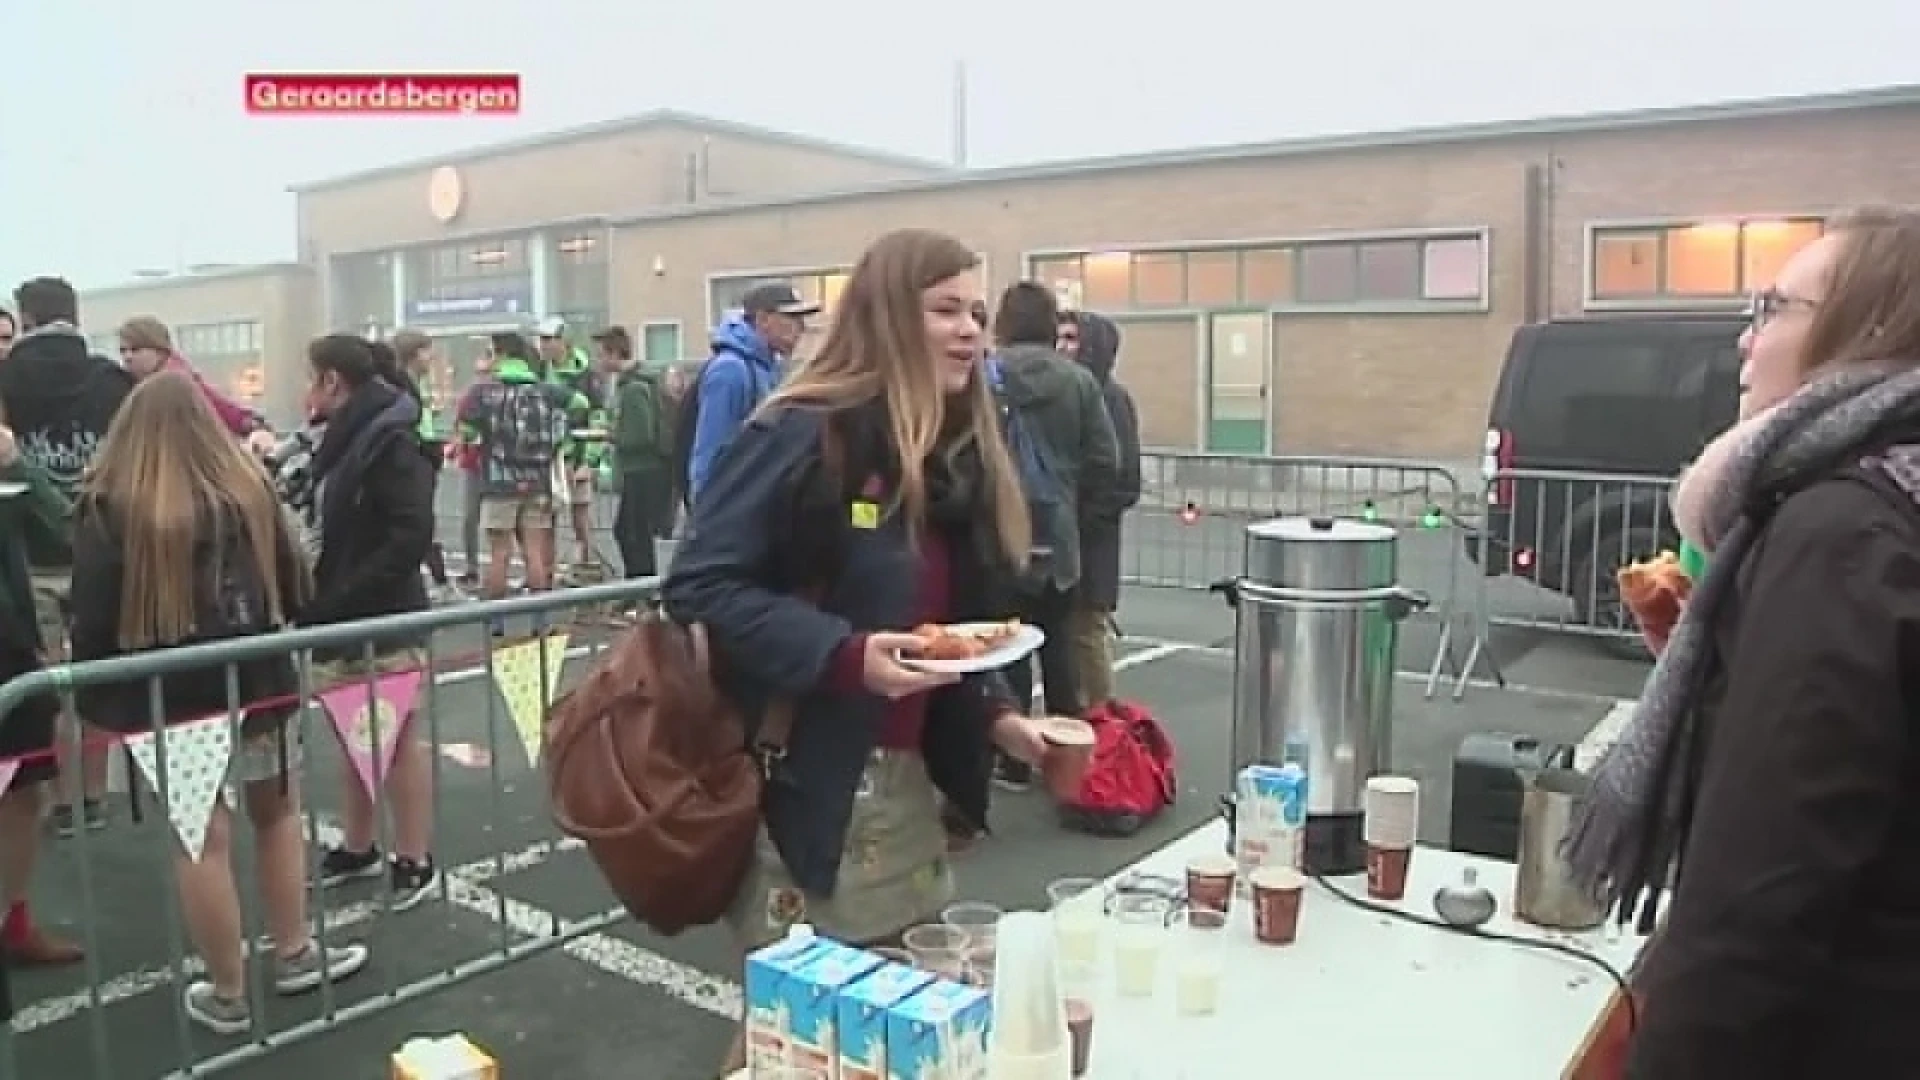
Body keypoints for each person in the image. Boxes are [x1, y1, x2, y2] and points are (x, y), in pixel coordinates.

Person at [662, 228, 1050, 1075]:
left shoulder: (948, 455)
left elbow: (945, 639)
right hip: (808, 783)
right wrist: (846, 653)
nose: (971, 331)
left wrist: (1004, 723)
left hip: (908, 798)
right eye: (945, 309)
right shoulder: (804, 433)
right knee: (799, 1034)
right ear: (884, 317)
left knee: (876, 1030)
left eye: (978, 312)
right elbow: (700, 585)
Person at [1558, 208, 1920, 1076]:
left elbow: (1762, 895)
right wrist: (1732, 673)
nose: (1744, 342)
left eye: (1774, 308)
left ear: (1867, 329)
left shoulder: (1842, 530)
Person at [66, 371, 368, 1035]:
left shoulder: (110, 504)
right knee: (278, 815)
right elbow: (295, 580)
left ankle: (228, 992)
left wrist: (94, 692)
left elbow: (89, 618)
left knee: (200, 837)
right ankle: (294, 953)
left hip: (163, 694)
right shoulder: (248, 490)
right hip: (258, 678)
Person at [300, 335, 441, 908]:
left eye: (310, 377)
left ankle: (415, 857)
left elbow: (408, 533)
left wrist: (342, 598)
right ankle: (359, 846)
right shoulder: (348, 436)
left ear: (333, 381)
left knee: (396, 737)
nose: (304, 390)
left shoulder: (390, 439)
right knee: (352, 730)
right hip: (342, 609)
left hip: (380, 614)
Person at [0, 277, 132, 835]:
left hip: (27, 552)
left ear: (26, 320)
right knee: (95, 676)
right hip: (100, 546)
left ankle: (52, 798)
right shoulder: (111, 378)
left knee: (45, 681)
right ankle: (95, 796)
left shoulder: (7, 378)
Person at [987, 283, 1119, 790]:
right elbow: (1105, 462)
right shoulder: (1080, 383)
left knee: (1006, 648)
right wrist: (1072, 508)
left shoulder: (984, 377)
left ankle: (1014, 759)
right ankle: (1068, 757)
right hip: (1060, 532)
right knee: (1058, 647)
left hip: (1000, 531)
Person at [0, 402, 83, 968]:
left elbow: (68, 528)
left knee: (26, 791)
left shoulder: (9, 463)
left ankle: (13, 919)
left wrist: (19, 466)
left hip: (12, 652)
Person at [456, 333, 574, 601]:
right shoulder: (546, 391)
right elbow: (580, 403)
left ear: (502, 354)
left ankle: (495, 620)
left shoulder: (484, 393)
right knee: (533, 550)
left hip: (499, 481)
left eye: (491, 352)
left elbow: (467, 430)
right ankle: (538, 616)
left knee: (500, 552)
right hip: (537, 481)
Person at [1062, 310, 1141, 709]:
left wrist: (1083, 518)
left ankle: (1104, 721)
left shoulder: (1111, 398)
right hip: (1064, 539)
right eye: (1059, 337)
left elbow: (1125, 482)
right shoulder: (1067, 393)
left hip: (1091, 543)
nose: (1063, 346)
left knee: (1087, 633)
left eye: (1072, 338)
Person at [685, 283, 817, 504]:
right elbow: (709, 454)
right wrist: (708, 519)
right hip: (731, 513)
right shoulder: (730, 370)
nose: (801, 328)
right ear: (763, 319)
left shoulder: (768, 368)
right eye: (792, 318)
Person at [115, 316, 276, 456]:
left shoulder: (177, 385)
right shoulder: (130, 384)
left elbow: (220, 408)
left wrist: (253, 426)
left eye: (136, 349)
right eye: (122, 351)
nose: (127, 357)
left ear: (160, 351)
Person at [382, 333, 457, 600]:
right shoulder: (401, 385)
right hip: (415, 461)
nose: (432, 358)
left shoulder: (416, 384)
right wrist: (427, 448)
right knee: (419, 523)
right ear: (413, 354)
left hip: (423, 458)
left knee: (424, 523)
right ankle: (437, 583)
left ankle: (438, 581)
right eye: (427, 352)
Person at [596, 327, 671, 578]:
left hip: (642, 468)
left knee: (632, 532)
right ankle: (638, 585)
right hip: (638, 468)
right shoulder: (630, 384)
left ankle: (641, 585)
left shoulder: (633, 388)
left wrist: (613, 435)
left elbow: (642, 435)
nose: (600, 362)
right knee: (631, 530)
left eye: (602, 355)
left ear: (615, 353)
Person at [534, 317, 603, 575]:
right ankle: (545, 573)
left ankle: (587, 567)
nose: (544, 345)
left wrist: (590, 461)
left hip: (577, 453)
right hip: (547, 455)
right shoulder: (538, 372)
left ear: (565, 341)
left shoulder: (587, 375)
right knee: (545, 517)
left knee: (580, 514)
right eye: (541, 339)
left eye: (549, 339)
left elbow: (598, 416)